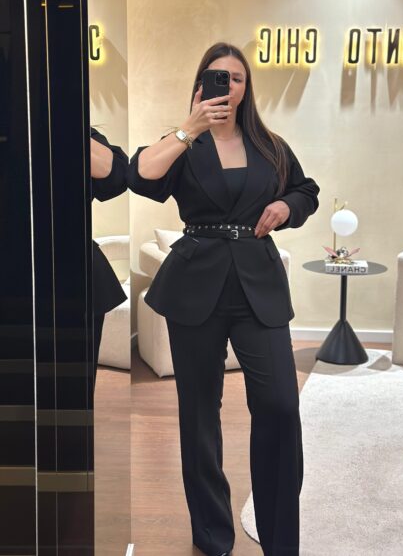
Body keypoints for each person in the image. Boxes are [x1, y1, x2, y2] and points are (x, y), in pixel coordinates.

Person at [128, 43, 320, 556]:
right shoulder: (183, 144)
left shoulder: (269, 145)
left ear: (246, 87)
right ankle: (213, 536)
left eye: (236, 78)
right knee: (199, 415)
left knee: (280, 406)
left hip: (259, 285)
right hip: (196, 285)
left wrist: (286, 205)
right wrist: (188, 128)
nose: (227, 85)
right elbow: (139, 175)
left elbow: (307, 191)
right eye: (217, 76)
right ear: (200, 83)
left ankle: (281, 539)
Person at [90, 127, 128, 379]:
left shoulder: (81, 132)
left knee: (74, 378)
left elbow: (116, 177)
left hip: (74, 267)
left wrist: (64, 123)